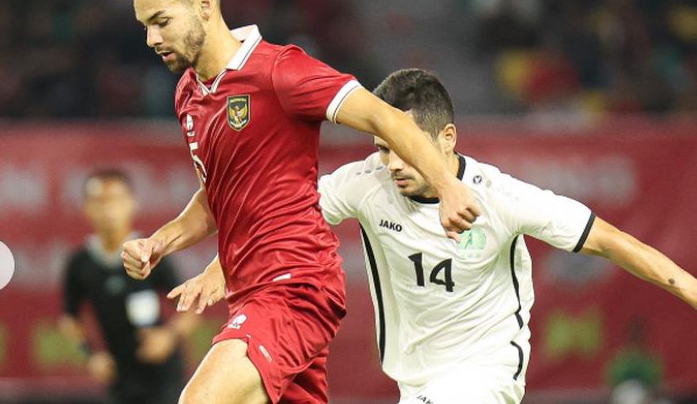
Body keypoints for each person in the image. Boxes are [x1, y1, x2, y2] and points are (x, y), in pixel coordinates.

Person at [174, 69, 697, 404]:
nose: (392, 163)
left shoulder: (501, 197)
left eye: (405, 148)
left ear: (447, 138)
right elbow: (282, 220)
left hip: (484, 375)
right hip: (414, 381)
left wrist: (689, 288)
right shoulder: (366, 184)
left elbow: (610, 241)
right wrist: (219, 269)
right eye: (382, 147)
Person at [117, 0, 480, 404]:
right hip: (250, 293)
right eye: (145, 26)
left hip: (294, 285)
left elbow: (385, 118)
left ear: (205, 5)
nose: (151, 39)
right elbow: (217, 195)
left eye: (161, 21)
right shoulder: (189, 94)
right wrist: (159, 242)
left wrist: (448, 186)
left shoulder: (280, 71)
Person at [60, 169, 199, 404]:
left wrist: (168, 337)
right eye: (99, 201)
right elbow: (69, 318)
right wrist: (90, 354)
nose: (108, 209)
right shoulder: (80, 263)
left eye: (115, 199)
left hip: (162, 375)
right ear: (86, 207)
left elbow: (190, 305)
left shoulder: (150, 253)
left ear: (131, 204)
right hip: (119, 375)